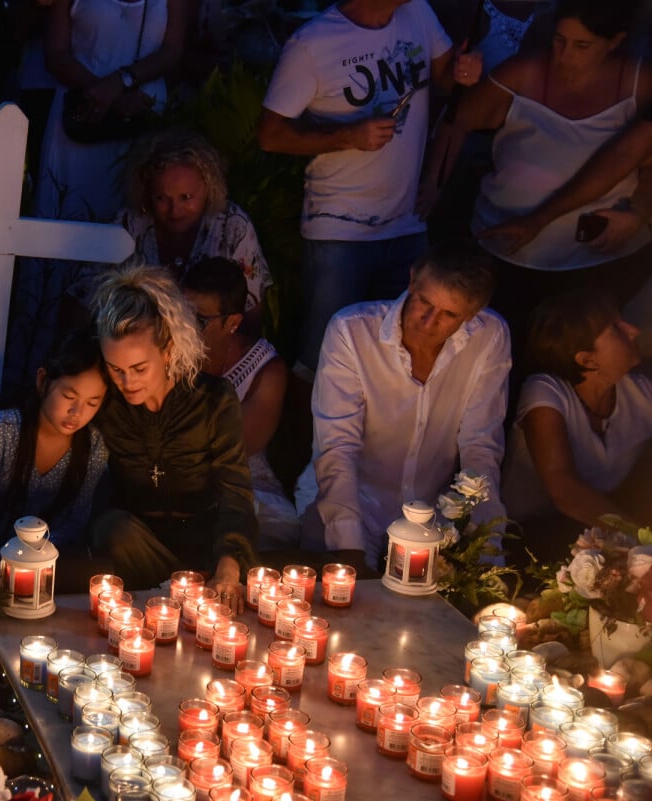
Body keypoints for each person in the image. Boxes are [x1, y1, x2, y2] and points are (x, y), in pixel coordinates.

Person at [257, 0, 483, 374]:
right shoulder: (312, 45)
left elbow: (445, 79)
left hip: (407, 224)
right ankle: (308, 432)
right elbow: (270, 135)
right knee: (323, 359)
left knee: (397, 358)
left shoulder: (418, 14)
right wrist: (348, 135)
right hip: (339, 230)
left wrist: (467, 70)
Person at [427, 0, 652, 370]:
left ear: (615, 42)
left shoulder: (638, 80)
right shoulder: (526, 71)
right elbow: (458, 121)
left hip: (598, 256)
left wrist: (640, 213)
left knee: (584, 363)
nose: (564, 54)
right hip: (511, 249)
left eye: (582, 45)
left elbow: (636, 158)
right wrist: (434, 184)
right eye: (560, 40)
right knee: (506, 357)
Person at [294, 242, 510, 574]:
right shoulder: (352, 331)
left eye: (449, 315)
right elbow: (338, 446)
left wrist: (486, 546)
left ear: (471, 315)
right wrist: (349, 548)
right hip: (352, 501)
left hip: (434, 511)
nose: (428, 321)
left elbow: (480, 446)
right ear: (412, 281)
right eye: (424, 301)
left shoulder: (489, 336)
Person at [89, 265, 258, 597]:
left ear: (167, 351)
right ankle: (184, 595)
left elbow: (235, 492)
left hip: (203, 546)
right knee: (113, 529)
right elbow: (53, 390)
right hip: (133, 546)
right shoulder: (108, 399)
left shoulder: (212, 400)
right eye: (115, 369)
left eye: (139, 368)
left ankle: (190, 591)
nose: (127, 382)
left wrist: (229, 565)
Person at [502, 289, 652, 561]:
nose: (632, 330)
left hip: (599, 539)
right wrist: (644, 540)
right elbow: (564, 489)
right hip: (527, 542)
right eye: (616, 329)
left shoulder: (640, 391)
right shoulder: (545, 391)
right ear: (586, 359)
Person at [63, 129, 273, 324]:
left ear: (209, 188)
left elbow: (251, 315)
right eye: (162, 198)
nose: (175, 210)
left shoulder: (233, 227)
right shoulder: (127, 226)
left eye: (186, 197)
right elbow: (81, 302)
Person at [0, 330, 109, 553]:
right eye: (69, 397)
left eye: (92, 403)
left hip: (45, 563)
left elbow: (74, 521)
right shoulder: (0, 433)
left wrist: (40, 555)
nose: (77, 412)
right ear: (42, 381)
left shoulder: (93, 448)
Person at [181, 257, 297, 548]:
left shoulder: (265, 370)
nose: (184, 327)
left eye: (198, 320)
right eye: (180, 314)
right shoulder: (170, 347)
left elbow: (237, 448)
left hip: (241, 482)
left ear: (232, 322)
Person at [33, 0, 185, 222]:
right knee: (71, 215)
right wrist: (103, 92)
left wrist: (119, 82)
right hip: (84, 114)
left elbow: (172, 50)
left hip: (142, 115)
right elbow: (56, 55)